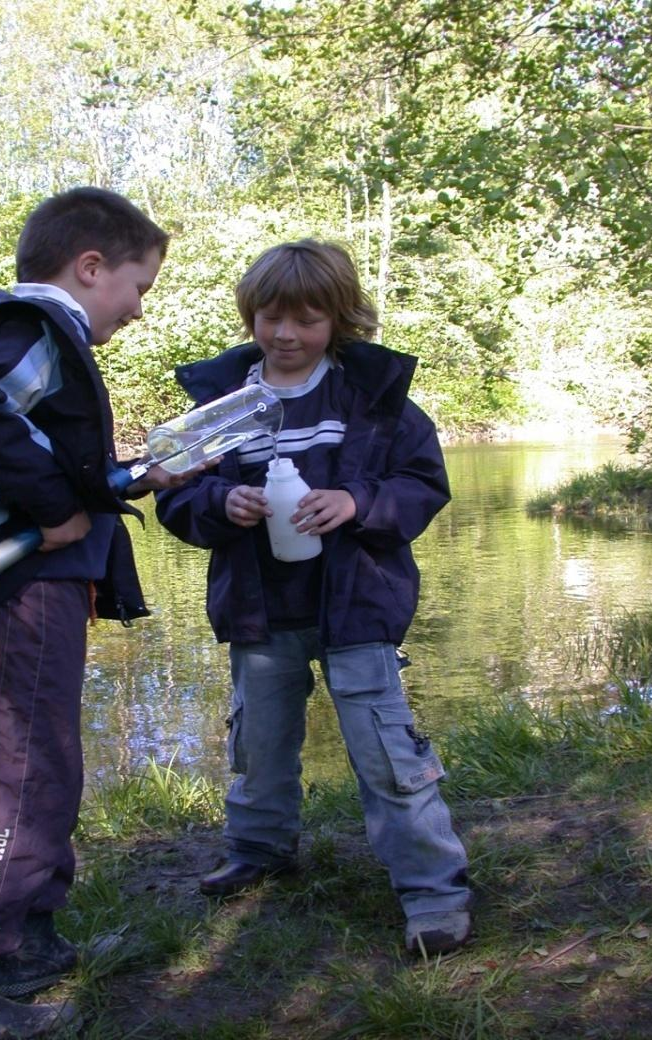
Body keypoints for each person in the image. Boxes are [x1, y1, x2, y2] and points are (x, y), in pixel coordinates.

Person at [0, 187, 200, 1039]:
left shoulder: (50, 341)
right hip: (9, 596)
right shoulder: (29, 328)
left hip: (46, 593)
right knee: (7, 775)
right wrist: (45, 505)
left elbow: (54, 458)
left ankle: (23, 935)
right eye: (138, 288)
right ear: (89, 266)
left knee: (46, 765)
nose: (139, 311)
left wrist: (128, 477)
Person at [155, 239, 472, 955]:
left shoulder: (371, 395)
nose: (286, 335)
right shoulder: (221, 403)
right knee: (258, 742)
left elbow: (422, 485)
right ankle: (260, 849)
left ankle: (433, 893)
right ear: (251, 317)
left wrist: (355, 502)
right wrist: (218, 501)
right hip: (259, 608)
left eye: (307, 319)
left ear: (339, 320)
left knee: (387, 750)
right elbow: (175, 493)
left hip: (357, 605)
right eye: (271, 317)